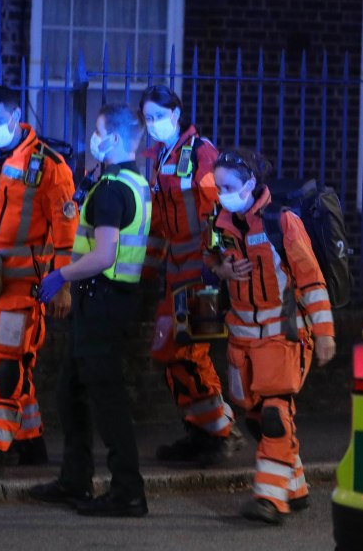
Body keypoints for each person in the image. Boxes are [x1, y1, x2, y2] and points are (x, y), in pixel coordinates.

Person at [29, 103, 151, 518]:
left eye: (98, 132)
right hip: (104, 302)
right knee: (70, 391)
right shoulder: (133, 182)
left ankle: (128, 493)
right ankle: (74, 478)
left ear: (113, 138)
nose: (92, 139)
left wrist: (60, 275)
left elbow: (103, 255)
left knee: (106, 399)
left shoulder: (113, 191)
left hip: (102, 299)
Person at [0, 85, 78, 475]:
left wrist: (63, 283)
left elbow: (65, 228)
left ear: (17, 114)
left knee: (10, 361)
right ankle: (31, 438)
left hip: (25, 280)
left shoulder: (49, 165)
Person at [206, 148, 336, 524]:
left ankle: (269, 498)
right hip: (241, 338)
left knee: (276, 414)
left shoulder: (283, 222)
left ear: (250, 184)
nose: (221, 192)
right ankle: (293, 488)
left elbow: (311, 280)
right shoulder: (220, 222)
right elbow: (209, 258)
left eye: (228, 185)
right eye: (217, 185)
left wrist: (325, 333)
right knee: (255, 417)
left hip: (282, 335)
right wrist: (223, 269)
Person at [139, 84, 242, 466]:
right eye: (147, 118)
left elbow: (216, 211)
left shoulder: (201, 153)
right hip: (176, 273)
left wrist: (213, 262)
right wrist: (147, 272)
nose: (153, 124)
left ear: (176, 115)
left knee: (189, 350)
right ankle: (203, 428)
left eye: (158, 116)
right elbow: (159, 225)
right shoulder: (161, 157)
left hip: (199, 271)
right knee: (171, 352)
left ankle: (218, 431)